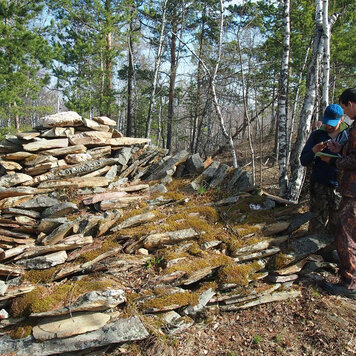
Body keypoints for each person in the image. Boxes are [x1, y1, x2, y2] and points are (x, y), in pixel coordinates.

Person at [320, 88, 356, 299]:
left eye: (345, 107)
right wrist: (339, 149)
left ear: (350, 103)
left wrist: (334, 160)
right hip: (351, 189)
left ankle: (349, 283)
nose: (346, 113)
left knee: (346, 234)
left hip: (353, 191)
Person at [300, 104, 349, 234]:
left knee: (337, 225)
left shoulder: (348, 136)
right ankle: (314, 252)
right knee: (316, 223)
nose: (328, 126)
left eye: (332, 123)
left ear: (341, 120)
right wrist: (314, 150)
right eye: (327, 122)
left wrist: (334, 159)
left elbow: (351, 161)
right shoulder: (317, 135)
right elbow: (304, 160)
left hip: (341, 187)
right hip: (319, 186)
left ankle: (331, 251)